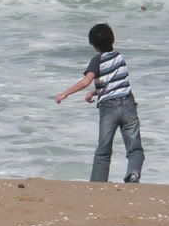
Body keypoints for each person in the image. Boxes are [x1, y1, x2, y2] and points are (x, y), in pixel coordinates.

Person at [55, 23, 144, 183]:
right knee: (134, 147)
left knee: (103, 150)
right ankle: (133, 173)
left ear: (94, 45)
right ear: (112, 39)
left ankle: (97, 184)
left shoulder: (97, 60)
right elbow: (115, 82)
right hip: (128, 104)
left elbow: (86, 81)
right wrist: (94, 92)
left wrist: (65, 93)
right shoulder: (119, 57)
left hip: (109, 108)